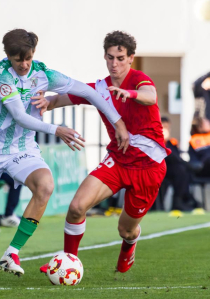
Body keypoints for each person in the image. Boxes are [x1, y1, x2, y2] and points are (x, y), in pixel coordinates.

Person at [0, 29, 128, 284]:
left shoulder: (43, 74)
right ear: (8, 57)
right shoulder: (1, 74)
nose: (24, 64)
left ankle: (11, 253)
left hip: (22, 148)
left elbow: (89, 92)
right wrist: (57, 129)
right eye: (18, 60)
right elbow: (19, 116)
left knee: (45, 186)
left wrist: (118, 122)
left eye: (28, 58)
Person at [38, 31, 168, 275]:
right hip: (117, 161)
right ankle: (68, 262)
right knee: (77, 207)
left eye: (120, 58)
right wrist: (47, 102)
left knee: (125, 230)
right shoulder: (99, 88)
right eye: (110, 58)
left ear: (131, 58)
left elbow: (151, 96)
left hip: (148, 168)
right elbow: (62, 98)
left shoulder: (139, 79)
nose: (114, 63)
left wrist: (129, 94)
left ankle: (129, 245)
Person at [161, 117, 199, 211]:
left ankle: (182, 199)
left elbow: (176, 156)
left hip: (173, 171)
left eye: (168, 127)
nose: (166, 130)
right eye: (164, 127)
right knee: (181, 168)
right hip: (160, 170)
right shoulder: (156, 141)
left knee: (182, 170)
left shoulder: (171, 142)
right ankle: (183, 200)